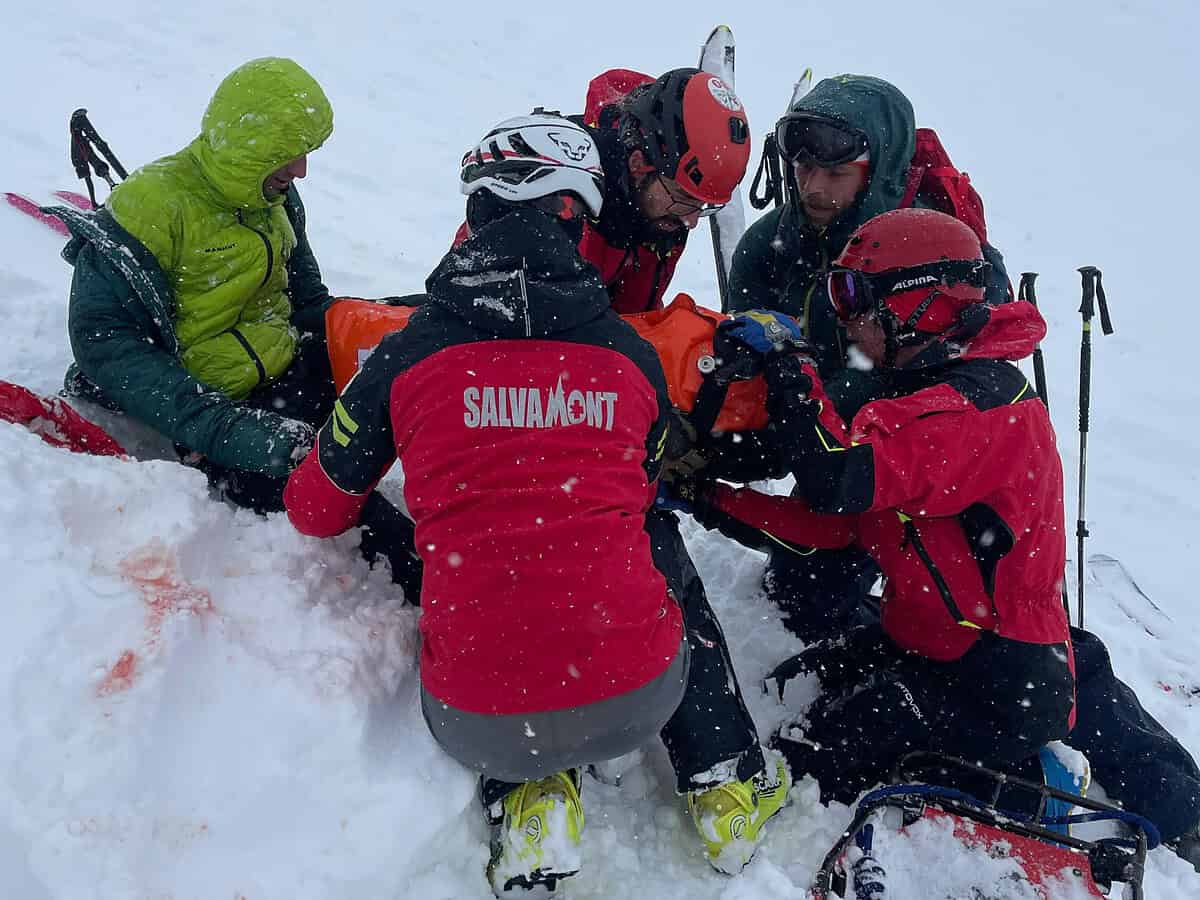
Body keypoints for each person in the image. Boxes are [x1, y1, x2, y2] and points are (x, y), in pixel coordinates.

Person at [283, 114, 787, 896]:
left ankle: (530, 798)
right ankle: (727, 785)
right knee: (645, 531)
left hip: (477, 717)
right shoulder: (628, 357)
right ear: (572, 217)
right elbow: (644, 481)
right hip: (640, 696)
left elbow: (315, 511)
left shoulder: (407, 354)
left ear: (479, 213)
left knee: (481, 559)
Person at [446, 70, 791, 869]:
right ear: (642, 156)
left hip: (596, 404)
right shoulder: (546, 185)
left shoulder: (653, 205)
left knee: (639, 544)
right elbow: (485, 308)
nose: (686, 218)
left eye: (703, 210)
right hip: (512, 409)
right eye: (680, 197)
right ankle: (539, 779)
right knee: (539, 556)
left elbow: (628, 321)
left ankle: (723, 780)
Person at [666, 209, 1076, 801]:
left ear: (922, 303)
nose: (848, 322)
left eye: (859, 298)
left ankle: (1022, 782)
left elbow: (837, 475)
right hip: (922, 641)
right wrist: (705, 496)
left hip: (995, 679)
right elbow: (826, 530)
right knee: (792, 686)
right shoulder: (916, 398)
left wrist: (792, 367)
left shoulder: (983, 409)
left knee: (803, 765)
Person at [54, 57, 420, 591]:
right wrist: (233, 431)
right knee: (335, 490)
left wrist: (383, 328)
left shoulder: (272, 196)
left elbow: (308, 300)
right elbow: (107, 347)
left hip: (288, 368)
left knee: (423, 347)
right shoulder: (149, 209)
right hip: (214, 411)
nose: (301, 171)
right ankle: (452, 589)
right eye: (291, 156)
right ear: (253, 148)